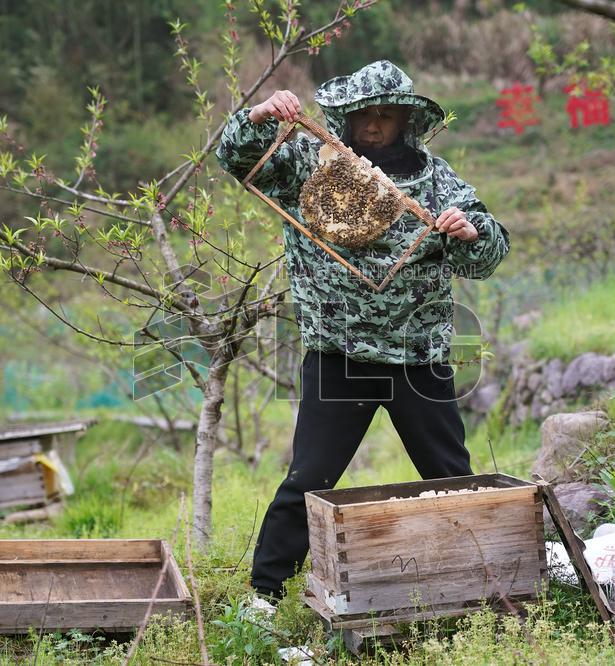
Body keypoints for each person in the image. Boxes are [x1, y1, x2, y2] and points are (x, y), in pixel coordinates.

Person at [215, 60, 510, 602]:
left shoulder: (436, 179)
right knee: (309, 480)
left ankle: (488, 587)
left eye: (387, 116)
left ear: (406, 121)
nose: (374, 126)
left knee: (450, 478)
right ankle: (264, 598)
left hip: (419, 357)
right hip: (339, 355)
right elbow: (234, 156)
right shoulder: (309, 160)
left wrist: (471, 230)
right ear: (346, 117)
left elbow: (490, 253)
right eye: (364, 115)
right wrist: (259, 115)